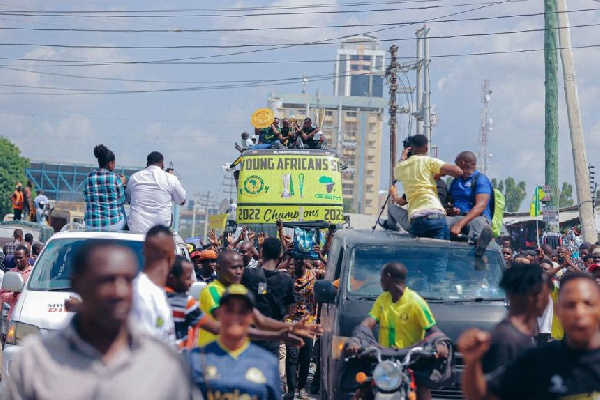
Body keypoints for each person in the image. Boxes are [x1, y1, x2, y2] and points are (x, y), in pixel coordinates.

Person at [3, 241, 199, 400]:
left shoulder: (163, 364)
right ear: (77, 284)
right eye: (107, 280)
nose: (120, 291)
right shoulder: (36, 360)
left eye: (129, 280)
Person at [459, 272, 600, 400]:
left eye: (588, 304)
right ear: (558, 310)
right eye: (570, 305)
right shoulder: (538, 360)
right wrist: (472, 363)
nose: (579, 313)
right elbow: (482, 396)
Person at [345, 262, 447, 400]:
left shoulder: (415, 302)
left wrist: (440, 343)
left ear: (388, 277)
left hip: (410, 361)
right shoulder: (383, 299)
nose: (380, 282)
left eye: (381, 278)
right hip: (384, 360)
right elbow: (368, 322)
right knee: (362, 391)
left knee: (423, 391)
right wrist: (356, 339)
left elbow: (432, 329)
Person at [197, 250, 321, 348]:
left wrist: (291, 328)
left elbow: (260, 321)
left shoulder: (240, 291)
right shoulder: (212, 291)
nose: (239, 271)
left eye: (241, 267)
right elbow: (232, 327)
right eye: (234, 268)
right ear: (218, 269)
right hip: (211, 358)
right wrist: (277, 335)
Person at [186, 284, 282, 400]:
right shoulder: (194, 359)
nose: (235, 317)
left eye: (242, 311)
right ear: (219, 313)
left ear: (251, 317)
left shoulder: (267, 363)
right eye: (229, 310)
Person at [460, 264, 551, 375]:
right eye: (548, 293)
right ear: (538, 296)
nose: (548, 300)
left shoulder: (517, 334)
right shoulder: (507, 340)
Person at [242, 238, 295, 386]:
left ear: (262, 252)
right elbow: (289, 309)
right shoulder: (286, 280)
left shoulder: (248, 275)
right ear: (280, 255)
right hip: (272, 338)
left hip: (249, 336)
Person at [394, 134, 463, 240]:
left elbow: (398, 172)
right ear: (426, 148)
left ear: (410, 149)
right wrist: (437, 173)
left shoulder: (400, 167)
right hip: (435, 216)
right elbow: (458, 172)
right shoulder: (428, 161)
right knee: (439, 254)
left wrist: (402, 158)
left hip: (416, 218)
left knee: (422, 255)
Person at [131, 225, 177, 343]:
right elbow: (143, 348)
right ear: (172, 255)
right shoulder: (142, 292)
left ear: (144, 252)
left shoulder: (157, 291)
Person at [446, 151, 493, 256]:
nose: (454, 166)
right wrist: (450, 209)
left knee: (478, 225)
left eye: (456, 163)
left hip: (476, 216)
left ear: (462, 163)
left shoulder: (480, 179)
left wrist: (459, 224)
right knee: (441, 223)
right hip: (457, 216)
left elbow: (480, 206)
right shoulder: (455, 181)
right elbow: (449, 201)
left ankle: (479, 251)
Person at [127, 151, 187, 234]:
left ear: (147, 164)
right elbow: (182, 201)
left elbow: (129, 199)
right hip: (160, 230)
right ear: (162, 164)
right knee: (170, 216)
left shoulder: (134, 177)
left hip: (136, 228)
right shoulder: (170, 178)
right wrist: (172, 177)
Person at [166, 255, 215, 348]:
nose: (191, 282)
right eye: (188, 278)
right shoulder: (185, 302)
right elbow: (215, 328)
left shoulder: (154, 295)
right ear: (172, 278)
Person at [82, 144, 127, 231]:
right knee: (121, 208)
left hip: (91, 225)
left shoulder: (88, 177)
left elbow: (86, 198)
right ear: (110, 163)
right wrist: (123, 184)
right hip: (113, 225)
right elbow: (121, 200)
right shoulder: (115, 178)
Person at [0, 245, 33, 319]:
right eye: (16, 258)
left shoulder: (34, 273)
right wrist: (14, 295)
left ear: (27, 256)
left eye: (20, 258)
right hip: (14, 315)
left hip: (30, 314)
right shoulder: (11, 273)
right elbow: (2, 296)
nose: (18, 260)